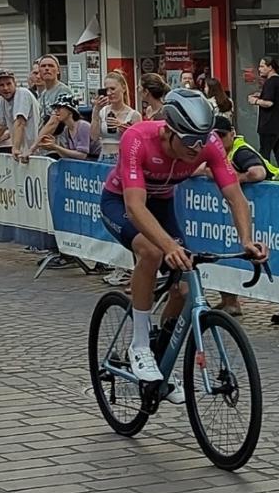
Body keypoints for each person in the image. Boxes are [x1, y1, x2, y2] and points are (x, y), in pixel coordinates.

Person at [100, 86, 266, 387]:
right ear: (168, 132)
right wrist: (167, 246)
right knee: (151, 252)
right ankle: (139, 344)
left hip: (162, 204)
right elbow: (135, 206)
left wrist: (246, 240)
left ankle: (160, 355)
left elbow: (236, 197)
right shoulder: (138, 138)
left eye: (201, 141)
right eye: (189, 141)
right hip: (121, 203)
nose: (196, 149)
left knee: (184, 289)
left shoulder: (209, 145)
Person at [249, 51, 279, 168]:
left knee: (264, 154)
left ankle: (265, 176)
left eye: (262, 66)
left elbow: (269, 103)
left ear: (270, 67)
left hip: (269, 125)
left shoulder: (270, 82)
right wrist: (261, 95)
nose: (259, 69)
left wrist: (254, 101)